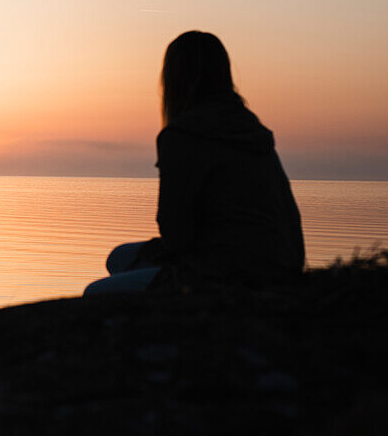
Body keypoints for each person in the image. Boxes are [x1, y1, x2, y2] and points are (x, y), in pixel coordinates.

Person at [85, 31, 304, 296]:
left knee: (96, 294)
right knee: (119, 257)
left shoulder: (182, 135)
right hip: (280, 263)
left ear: (173, 79)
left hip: (224, 273)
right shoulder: (249, 128)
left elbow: (176, 235)